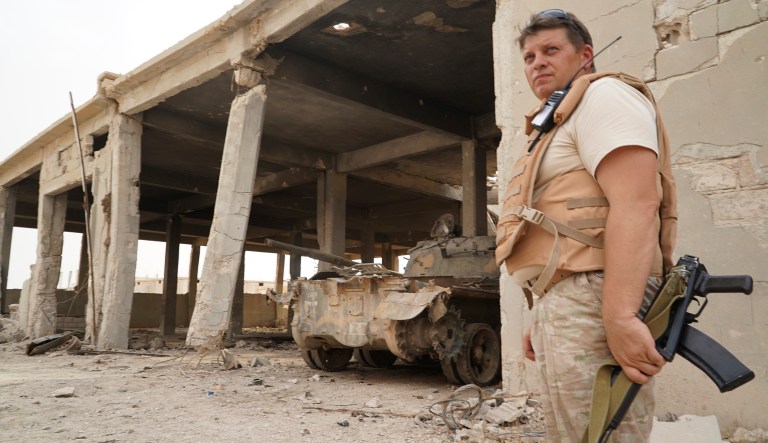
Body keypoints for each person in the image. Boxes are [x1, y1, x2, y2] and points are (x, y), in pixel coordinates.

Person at [495, 9, 677, 442]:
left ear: (585, 55)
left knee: (602, 432)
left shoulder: (604, 96)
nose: (537, 62)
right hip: (571, 298)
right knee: (576, 433)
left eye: (551, 50)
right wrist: (542, 313)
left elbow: (637, 202)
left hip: (597, 293)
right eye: (529, 55)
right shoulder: (561, 119)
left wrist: (619, 314)